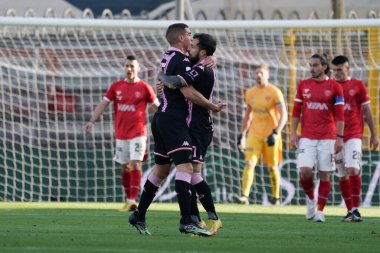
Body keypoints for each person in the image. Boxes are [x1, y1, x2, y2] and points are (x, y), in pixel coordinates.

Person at [128, 23, 225, 236]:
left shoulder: (169, 56)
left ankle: (139, 215)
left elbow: (173, 78)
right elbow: (188, 91)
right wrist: (213, 106)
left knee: (161, 170)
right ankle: (187, 220)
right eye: (189, 35)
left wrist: (210, 58)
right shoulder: (181, 60)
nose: (191, 38)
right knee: (187, 169)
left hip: (161, 118)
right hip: (174, 120)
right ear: (181, 38)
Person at [158, 33, 223, 234]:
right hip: (191, 125)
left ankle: (210, 218)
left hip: (199, 127)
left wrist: (166, 80)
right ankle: (196, 220)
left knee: (192, 173)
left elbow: (179, 82)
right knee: (189, 173)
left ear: (203, 52)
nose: (189, 49)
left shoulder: (201, 68)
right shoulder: (201, 65)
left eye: (193, 46)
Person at [84, 55, 159, 212]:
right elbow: (103, 104)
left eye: (132, 66)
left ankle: (132, 201)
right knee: (125, 167)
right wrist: (91, 121)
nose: (129, 69)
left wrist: (167, 122)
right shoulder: (116, 86)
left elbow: (156, 106)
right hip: (121, 134)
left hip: (139, 132)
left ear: (138, 68)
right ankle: (128, 200)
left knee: (134, 163)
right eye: (127, 66)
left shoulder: (145, 87)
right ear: (124, 68)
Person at [291, 54, 345, 222]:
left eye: (315, 65)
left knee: (325, 174)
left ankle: (320, 211)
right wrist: (293, 133)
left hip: (328, 136)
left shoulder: (335, 87)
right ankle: (311, 198)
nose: (311, 68)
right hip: (307, 136)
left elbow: (340, 116)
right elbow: (296, 111)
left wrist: (340, 138)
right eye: (310, 65)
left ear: (323, 67)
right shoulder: (303, 85)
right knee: (305, 171)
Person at [331, 55, 379, 222]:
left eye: (340, 69)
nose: (336, 73)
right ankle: (350, 210)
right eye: (334, 70)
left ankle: (356, 209)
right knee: (342, 175)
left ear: (347, 68)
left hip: (354, 135)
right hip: (334, 137)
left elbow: (367, 111)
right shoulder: (330, 87)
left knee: (352, 169)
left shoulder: (358, 85)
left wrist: (374, 134)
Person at [235, 64, 288, 205]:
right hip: (255, 133)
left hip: (271, 134)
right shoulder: (250, 92)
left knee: (272, 166)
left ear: (267, 75)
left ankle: (276, 198)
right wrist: (242, 134)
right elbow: (248, 115)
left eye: (262, 73)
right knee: (249, 163)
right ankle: (244, 196)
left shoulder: (275, 92)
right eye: (257, 73)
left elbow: (284, 115)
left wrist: (276, 132)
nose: (259, 75)